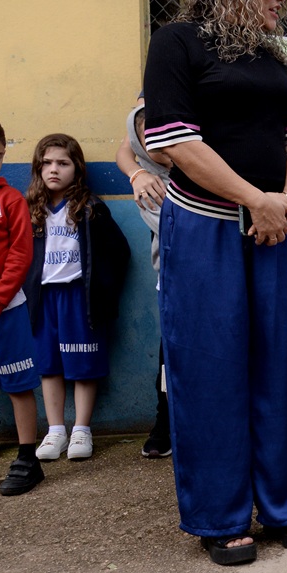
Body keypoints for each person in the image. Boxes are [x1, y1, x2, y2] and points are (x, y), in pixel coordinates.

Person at [143, 0, 287, 566]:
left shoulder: (276, 61)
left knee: (276, 364)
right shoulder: (177, 43)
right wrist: (255, 197)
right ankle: (221, 516)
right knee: (211, 368)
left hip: (269, 226)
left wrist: (284, 204)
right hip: (205, 225)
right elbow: (173, 141)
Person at [25, 134, 130, 462]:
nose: (53, 169)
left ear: (77, 168)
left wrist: (102, 290)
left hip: (79, 299)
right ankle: (56, 430)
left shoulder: (90, 208)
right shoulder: (31, 210)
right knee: (49, 366)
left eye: (62, 163)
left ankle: (82, 429)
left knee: (83, 364)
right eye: (47, 163)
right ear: (38, 168)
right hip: (43, 300)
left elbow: (119, 252)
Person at [0, 112, 44, 496]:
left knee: (18, 384)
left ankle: (27, 459)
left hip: (6, 310)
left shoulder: (10, 200)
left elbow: (20, 257)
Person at [114, 99, 174, 458]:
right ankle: (164, 423)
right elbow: (129, 146)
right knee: (170, 357)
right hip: (174, 280)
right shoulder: (151, 185)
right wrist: (137, 173)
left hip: (223, 277)